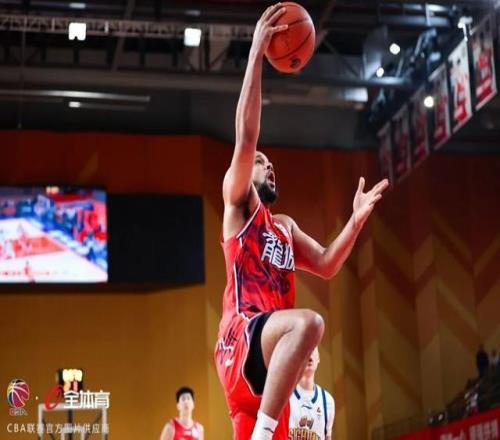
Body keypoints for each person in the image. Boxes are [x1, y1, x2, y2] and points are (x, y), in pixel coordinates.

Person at [213, 4, 389, 439]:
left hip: (269, 370)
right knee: (310, 323)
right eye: (261, 162)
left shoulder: (285, 227)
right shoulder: (239, 205)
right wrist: (256, 54)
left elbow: (327, 264)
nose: (268, 165)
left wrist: (355, 221)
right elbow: (246, 136)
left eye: (270, 163)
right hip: (242, 340)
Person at [289, 347, 335, 440]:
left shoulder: (327, 401)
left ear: (318, 358)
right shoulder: (285, 396)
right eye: (307, 348)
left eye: (313, 349)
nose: (310, 354)